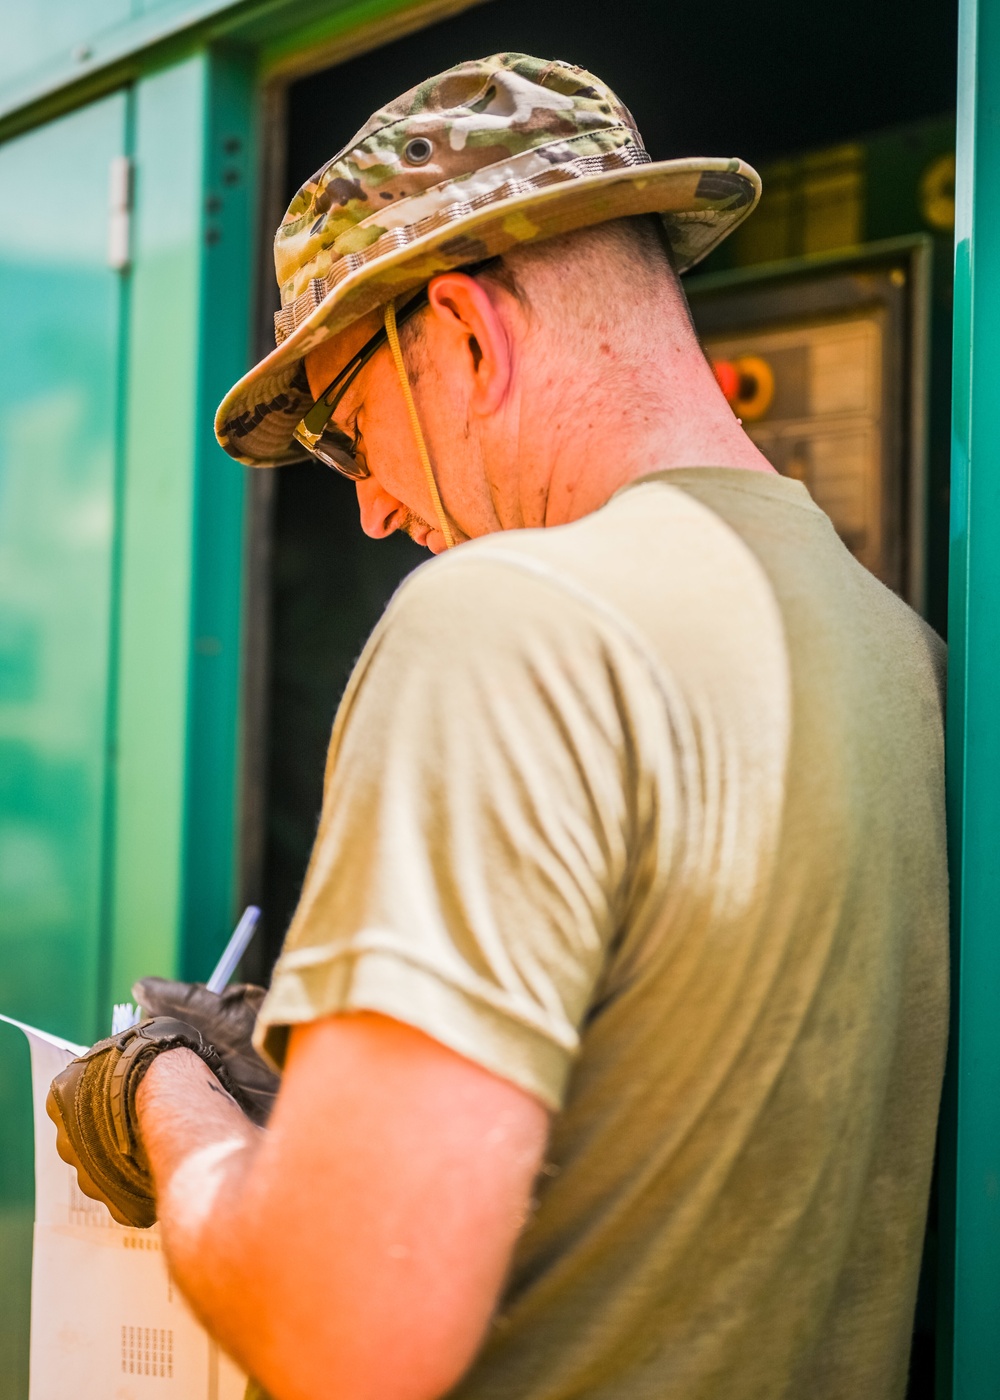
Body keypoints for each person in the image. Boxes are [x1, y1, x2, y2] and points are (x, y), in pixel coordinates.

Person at [47, 53, 949, 1400]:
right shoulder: (911, 656)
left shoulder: (504, 620)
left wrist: (164, 1092)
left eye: (352, 435)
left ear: (469, 332)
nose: (366, 508)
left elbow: (342, 1334)